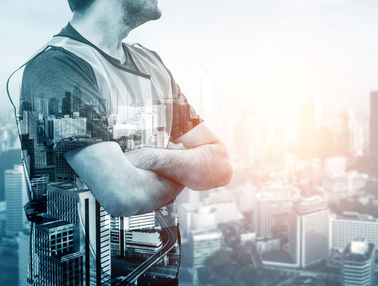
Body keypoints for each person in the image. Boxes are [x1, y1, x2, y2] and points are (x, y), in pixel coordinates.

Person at [15, 0, 232, 284]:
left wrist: (153, 158)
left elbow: (221, 166)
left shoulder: (151, 65)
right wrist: (186, 167)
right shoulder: (57, 67)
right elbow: (124, 195)